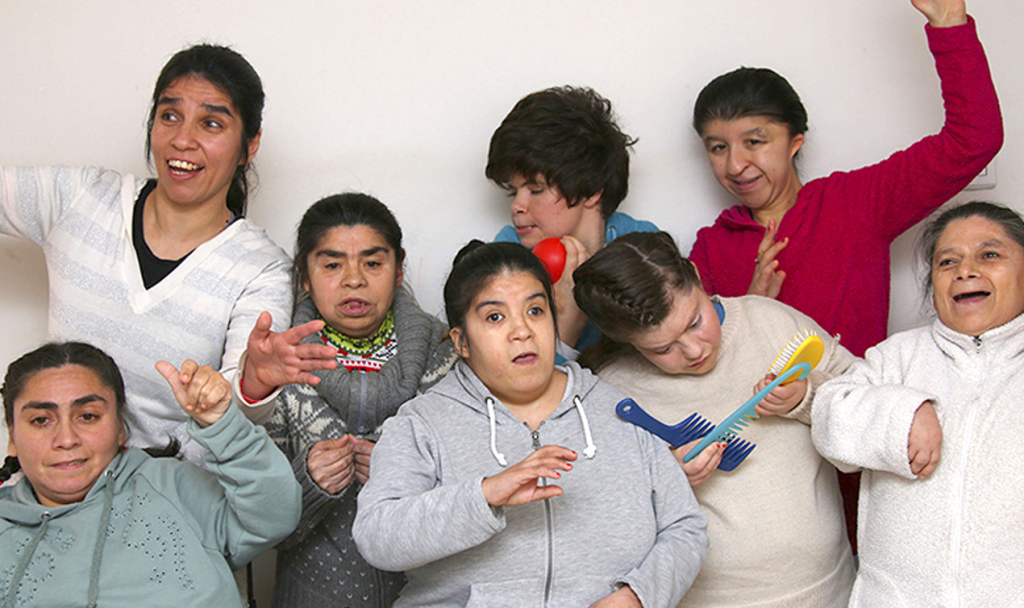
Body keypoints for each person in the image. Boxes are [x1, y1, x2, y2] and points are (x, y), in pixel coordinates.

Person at [688, 0, 1002, 360]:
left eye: (754, 142)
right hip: (758, 407)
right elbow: (694, 360)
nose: (735, 165)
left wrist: (950, 24)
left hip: (858, 400)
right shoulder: (709, 248)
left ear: (795, 141)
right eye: (718, 148)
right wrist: (752, 309)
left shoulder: (854, 204)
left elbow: (974, 140)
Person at [353, 241, 707, 607]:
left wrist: (638, 596)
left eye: (535, 311)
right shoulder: (421, 423)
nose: (521, 331)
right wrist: (484, 495)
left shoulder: (620, 412)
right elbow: (377, 536)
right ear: (461, 342)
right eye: (495, 317)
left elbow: (685, 527)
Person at [0, 45, 295, 463]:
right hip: (51, 478)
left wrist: (253, 384)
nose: (182, 140)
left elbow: (234, 413)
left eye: (211, 123)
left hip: (165, 491)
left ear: (250, 145)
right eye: (169, 116)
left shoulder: (261, 269)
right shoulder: (83, 197)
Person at [573, 231, 856, 608]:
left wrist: (806, 397)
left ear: (696, 275)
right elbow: (601, 518)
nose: (693, 350)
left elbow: (866, 403)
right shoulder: (614, 391)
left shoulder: (770, 321)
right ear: (627, 341)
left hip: (832, 589)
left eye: (694, 322)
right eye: (663, 348)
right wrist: (665, 481)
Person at [812, 201, 1024, 606]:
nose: (965, 271)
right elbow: (828, 417)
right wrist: (902, 413)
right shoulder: (898, 357)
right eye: (948, 262)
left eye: (989, 255)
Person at [255, 193, 457, 608]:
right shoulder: (277, 365)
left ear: (399, 269)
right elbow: (250, 525)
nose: (354, 280)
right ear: (304, 276)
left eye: (373, 263)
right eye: (332, 265)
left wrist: (402, 474)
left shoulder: (444, 353)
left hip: (429, 598)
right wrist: (307, 484)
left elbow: (475, 498)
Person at [0, 341, 301, 607]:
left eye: (88, 416)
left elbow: (275, 515)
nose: (66, 439)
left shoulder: (171, 487)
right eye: (41, 420)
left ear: (120, 427)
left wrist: (223, 425)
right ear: (12, 437)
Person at [486, 86, 657, 353]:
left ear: (592, 191)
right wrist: (567, 325)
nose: (517, 206)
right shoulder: (505, 257)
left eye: (536, 190)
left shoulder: (641, 246)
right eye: (513, 191)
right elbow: (506, 371)